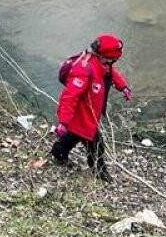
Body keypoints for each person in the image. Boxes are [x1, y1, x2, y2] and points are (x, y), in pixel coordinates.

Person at [51, 34, 131, 182]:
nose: (112, 63)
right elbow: (69, 97)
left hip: (88, 114)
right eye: (113, 60)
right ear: (104, 56)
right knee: (96, 144)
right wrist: (63, 121)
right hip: (82, 116)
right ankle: (100, 172)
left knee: (72, 137)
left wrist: (123, 87)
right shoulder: (84, 70)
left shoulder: (101, 64)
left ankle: (58, 153)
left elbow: (111, 74)